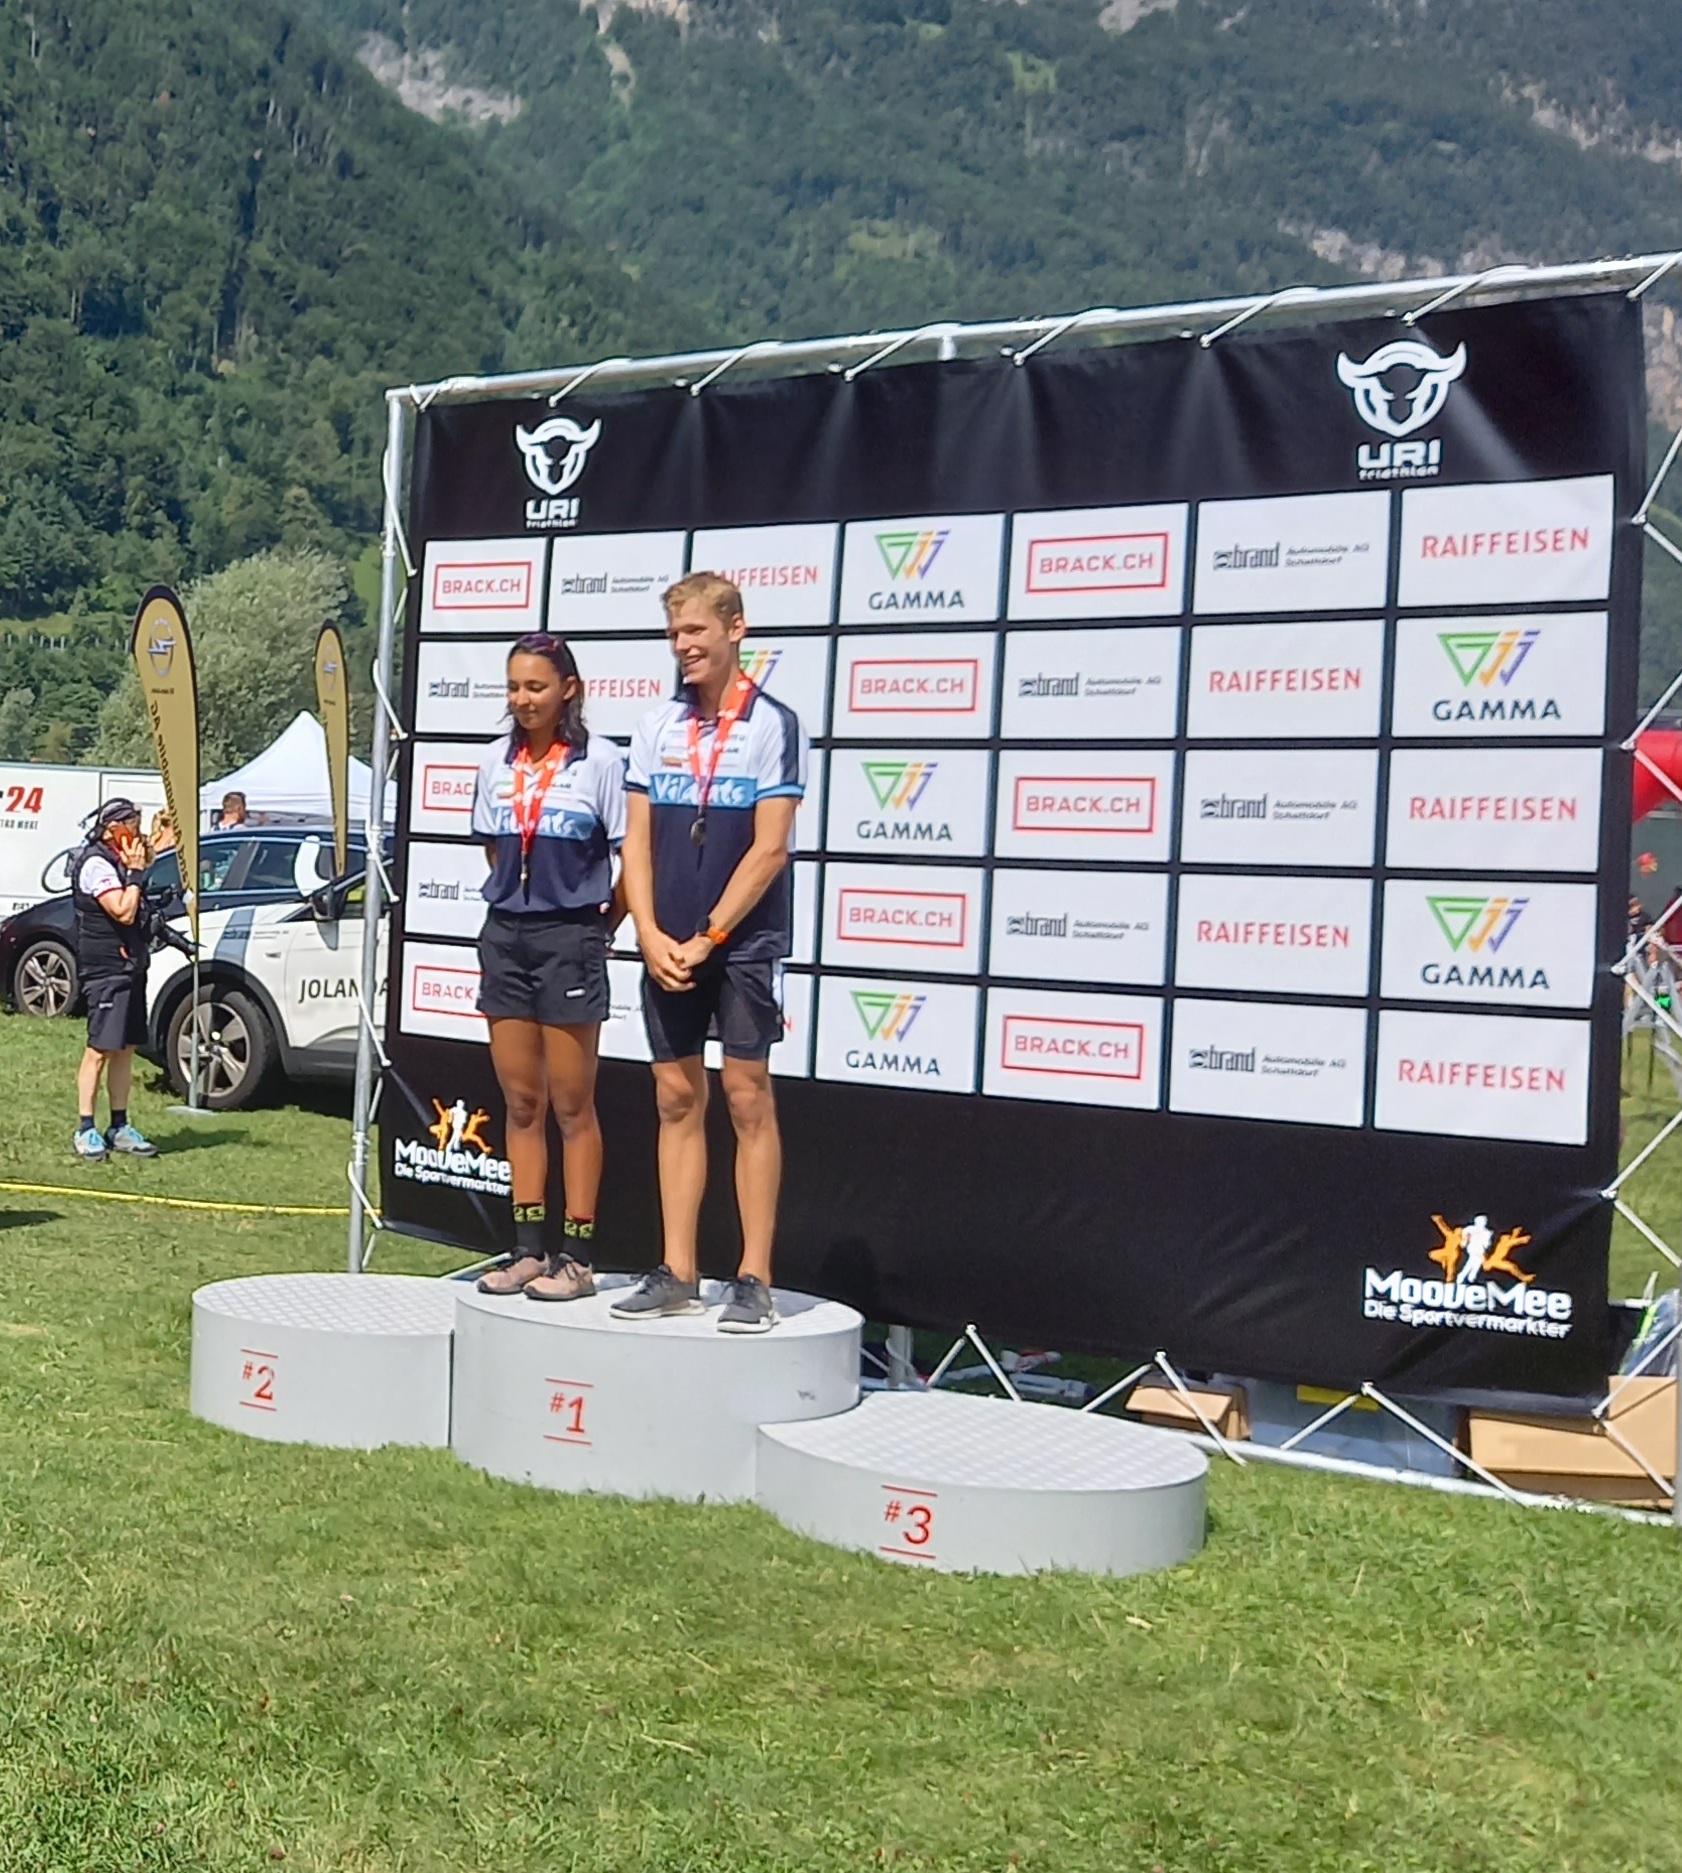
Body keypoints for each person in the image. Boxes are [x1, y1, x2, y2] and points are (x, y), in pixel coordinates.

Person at [615, 572, 806, 1334]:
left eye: (695, 631)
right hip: (668, 940)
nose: (683, 646)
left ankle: (754, 1276)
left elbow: (770, 849)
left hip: (743, 941)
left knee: (747, 1096)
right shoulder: (656, 724)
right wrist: (649, 931)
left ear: (735, 629)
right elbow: (635, 840)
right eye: (674, 635)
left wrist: (710, 935)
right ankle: (679, 1270)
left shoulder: (773, 723)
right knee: (674, 1097)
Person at [472, 633, 627, 1301]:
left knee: (571, 1103)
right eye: (513, 687)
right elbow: (495, 852)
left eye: (535, 686)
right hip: (506, 936)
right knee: (521, 1102)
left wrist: (596, 929)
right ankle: (527, 1249)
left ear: (568, 689)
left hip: (571, 938)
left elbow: (631, 860)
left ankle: (578, 1256)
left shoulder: (602, 763)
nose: (522, 699)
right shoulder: (494, 760)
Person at [70, 799, 160, 1161]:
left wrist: (146, 856)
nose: (136, 830)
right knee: (100, 1049)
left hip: (130, 965)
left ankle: (119, 1126)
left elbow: (148, 862)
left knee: (126, 1047)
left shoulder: (120, 858)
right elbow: (122, 910)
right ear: (112, 828)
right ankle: (86, 1128)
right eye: (131, 824)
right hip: (105, 967)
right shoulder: (96, 864)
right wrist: (135, 874)